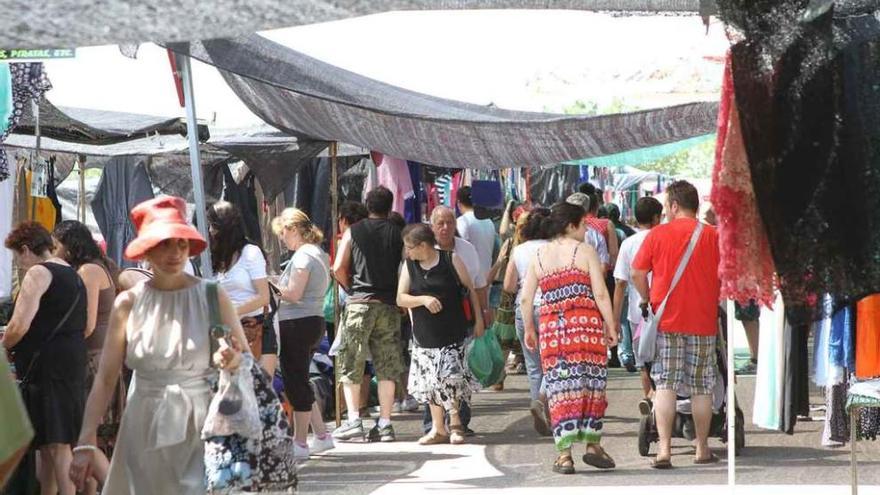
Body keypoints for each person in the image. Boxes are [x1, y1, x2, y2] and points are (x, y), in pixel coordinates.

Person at [68, 196, 249, 494]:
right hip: (144, 425)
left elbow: (241, 362)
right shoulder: (128, 303)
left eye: (181, 243)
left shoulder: (212, 296)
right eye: (165, 243)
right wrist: (86, 440)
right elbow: (105, 379)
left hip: (201, 425)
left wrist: (228, 357)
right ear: (147, 249)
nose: (175, 252)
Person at [521, 203, 618, 474]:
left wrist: (530, 327)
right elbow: (600, 293)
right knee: (591, 386)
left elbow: (526, 297)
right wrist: (611, 325)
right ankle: (592, 444)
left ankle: (564, 455)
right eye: (583, 225)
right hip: (585, 330)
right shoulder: (584, 251)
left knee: (559, 390)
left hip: (553, 333)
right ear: (570, 225)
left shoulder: (539, 255)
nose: (587, 230)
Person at [631, 180, 721, 469]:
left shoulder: (658, 235)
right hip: (703, 321)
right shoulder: (713, 236)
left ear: (673, 205)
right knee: (701, 386)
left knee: (666, 384)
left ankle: (665, 450)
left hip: (667, 321)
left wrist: (647, 298)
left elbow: (636, 272)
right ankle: (702, 448)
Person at [2, 221, 88, 495]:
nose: (18, 264)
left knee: (57, 445)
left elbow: (19, 325)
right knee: (52, 445)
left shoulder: (38, 273)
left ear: (26, 250)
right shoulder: (73, 274)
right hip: (69, 364)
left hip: (47, 370)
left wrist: (4, 343)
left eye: (17, 257)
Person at [396, 224, 483, 445]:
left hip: (452, 332)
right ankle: (437, 428)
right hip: (424, 335)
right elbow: (401, 298)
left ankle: (455, 424)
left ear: (423, 245)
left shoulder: (450, 260)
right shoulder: (409, 266)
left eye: (410, 247)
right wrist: (422, 299)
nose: (408, 252)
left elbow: (470, 289)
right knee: (430, 381)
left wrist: (479, 319)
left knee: (451, 379)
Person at [52, 220, 121, 493]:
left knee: (87, 434)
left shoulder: (89, 271)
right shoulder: (100, 266)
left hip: (94, 357)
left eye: (57, 246)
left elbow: (88, 322)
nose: (54, 251)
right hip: (100, 355)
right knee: (90, 435)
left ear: (70, 247)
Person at [331, 186, 405, 442]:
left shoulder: (353, 231)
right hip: (388, 304)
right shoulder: (398, 233)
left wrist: (350, 286)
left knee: (351, 360)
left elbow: (338, 266)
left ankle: (353, 420)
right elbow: (405, 269)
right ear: (390, 206)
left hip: (359, 303)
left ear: (367, 204)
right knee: (387, 365)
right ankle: (385, 423)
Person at [271, 207, 334, 459]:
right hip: (313, 320)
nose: (282, 239)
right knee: (302, 379)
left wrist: (270, 285)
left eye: (283, 233)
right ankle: (321, 435)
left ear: (293, 229)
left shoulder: (302, 257)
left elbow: (294, 294)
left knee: (295, 382)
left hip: (296, 323)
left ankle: (300, 443)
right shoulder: (319, 254)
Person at [427, 206, 484, 435]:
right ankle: (433, 423)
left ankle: (461, 420)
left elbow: (477, 285)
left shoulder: (466, 250)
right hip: (431, 320)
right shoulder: (425, 249)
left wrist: (482, 316)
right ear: (432, 226)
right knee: (433, 372)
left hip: (462, 315)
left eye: (450, 222)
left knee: (461, 369)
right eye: (440, 223)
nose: (445, 227)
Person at [207, 201, 276, 375]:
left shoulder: (250, 253)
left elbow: (263, 297)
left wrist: (231, 312)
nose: (210, 231)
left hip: (255, 330)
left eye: (213, 226)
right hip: (227, 333)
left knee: (258, 389)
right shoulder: (217, 258)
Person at [502, 207, 553, 436]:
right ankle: (547, 408)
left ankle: (538, 404)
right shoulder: (553, 249)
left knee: (534, 366)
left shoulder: (519, 250)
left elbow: (508, 286)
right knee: (554, 361)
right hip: (550, 307)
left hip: (524, 308)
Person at [612, 197, 664, 405]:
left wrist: (614, 320)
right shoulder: (663, 238)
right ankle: (667, 403)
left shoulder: (628, 244)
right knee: (664, 359)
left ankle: (650, 401)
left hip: (638, 313)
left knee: (644, 363)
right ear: (656, 217)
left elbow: (620, 284)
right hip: (664, 310)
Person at [455, 186, 495, 325]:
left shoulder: (462, 222)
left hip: (470, 282)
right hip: (485, 278)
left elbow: (460, 250)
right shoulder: (488, 221)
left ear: (459, 203)